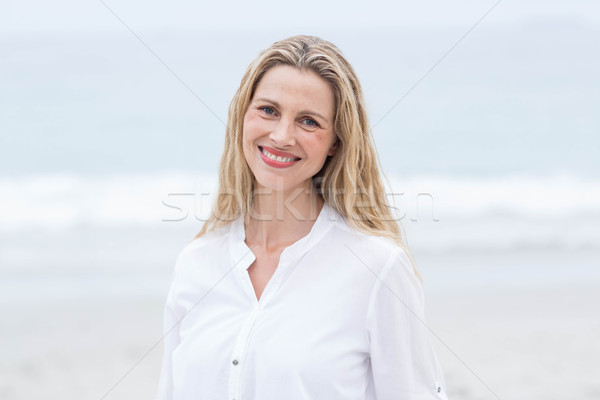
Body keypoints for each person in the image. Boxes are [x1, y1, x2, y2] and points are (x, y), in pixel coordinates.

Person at [156, 35, 448, 400]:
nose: (281, 136)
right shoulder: (196, 262)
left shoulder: (379, 269)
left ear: (335, 144)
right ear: (242, 116)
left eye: (308, 122)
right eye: (268, 110)